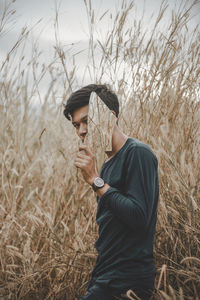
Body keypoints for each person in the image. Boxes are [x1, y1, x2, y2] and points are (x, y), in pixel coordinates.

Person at [63, 84, 159, 300]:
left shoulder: (138, 153)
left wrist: (95, 181)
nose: (81, 131)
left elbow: (139, 217)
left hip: (129, 280)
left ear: (111, 116)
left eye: (86, 121)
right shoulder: (106, 164)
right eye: (76, 125)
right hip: (106, 276)